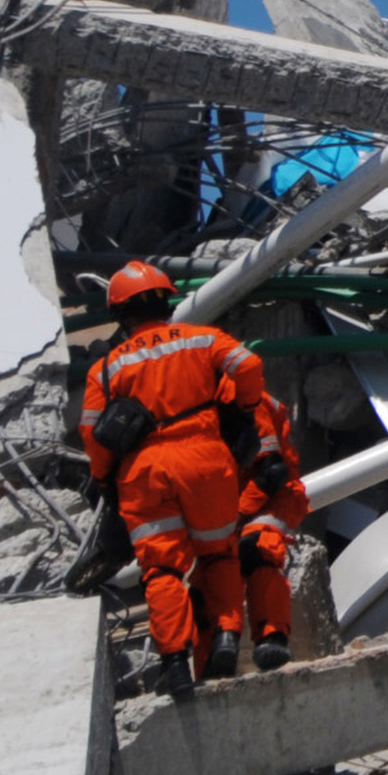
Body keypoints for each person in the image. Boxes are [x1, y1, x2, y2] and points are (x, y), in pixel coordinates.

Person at [80, 262, 283, 698]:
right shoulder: (203, 338)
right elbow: (247, 365)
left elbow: (92, 433)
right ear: (167, 300)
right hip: (207, 462)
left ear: (120, 314)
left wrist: (102, 479)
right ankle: (228, 637)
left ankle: (175, 666)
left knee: (162, 569)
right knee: (219, 555)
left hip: (146, 472)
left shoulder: (107, 368)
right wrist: (245, 410)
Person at [229, 394, 309, 672]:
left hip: (274, 498)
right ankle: (218, 650)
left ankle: (272, 639)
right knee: (214, 569)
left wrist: (238, 514)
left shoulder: (247, 402)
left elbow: (273, 472)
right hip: (230, 505)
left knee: (257, 549)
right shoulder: (196, 401)